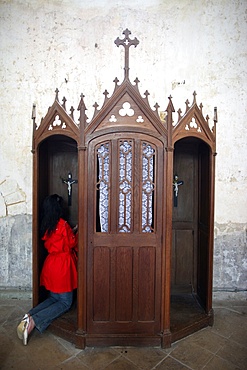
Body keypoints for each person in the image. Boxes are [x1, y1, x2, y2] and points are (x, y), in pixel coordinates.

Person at [17, 194, 78, 345]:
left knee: (53, 298)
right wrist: (76, 231)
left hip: (50, 263)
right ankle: (33, 321)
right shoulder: (63, 224)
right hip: (62, 265)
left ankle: (29, 315)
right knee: (65, 302)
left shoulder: (46, 224)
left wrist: (71, 230)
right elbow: (71, 243)